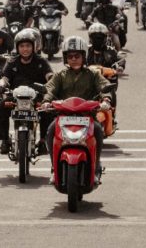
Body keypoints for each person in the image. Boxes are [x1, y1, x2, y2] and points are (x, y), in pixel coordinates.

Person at [41, 36, 111, 180]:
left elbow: (104, 86)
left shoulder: (93, 74)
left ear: (84, 56)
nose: (73, 59)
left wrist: (106, 99)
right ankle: (54, 168)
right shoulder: (60, 75)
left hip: (87, 116)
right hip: (63, 117)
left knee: (98, 131)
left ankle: (96, 167)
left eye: (77, 56)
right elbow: (50, 88)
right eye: (70, 56)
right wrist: (46, 101)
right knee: (50, 131)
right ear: (65, 58)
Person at [0, 30, 53, 154]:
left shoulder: (41, 61)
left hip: (36, 97)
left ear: (33, 46)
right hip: (15, 97)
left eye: (28, 46)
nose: (25, 49)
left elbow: (50, 76)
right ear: (17, 47)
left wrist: (51, 84)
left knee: (48, 110)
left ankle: (43, 141)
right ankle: (4, 139)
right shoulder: (12, 62)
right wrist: (1, 85)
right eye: (22, 46)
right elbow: (5, 78)